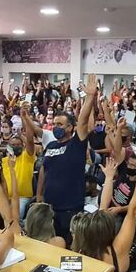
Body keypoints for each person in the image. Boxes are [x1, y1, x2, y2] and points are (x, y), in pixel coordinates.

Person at [36, 74, 98, 244]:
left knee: (71, 246)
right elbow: (43, 170)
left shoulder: (76, 144)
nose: (56, 127)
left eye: (60, 124)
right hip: (49, 207)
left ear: (70, 127)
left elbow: (84, 122)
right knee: (51, 245)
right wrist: (39, 195)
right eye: (54, 124)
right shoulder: (50, 147)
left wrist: (90, 97)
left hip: (70, 208)